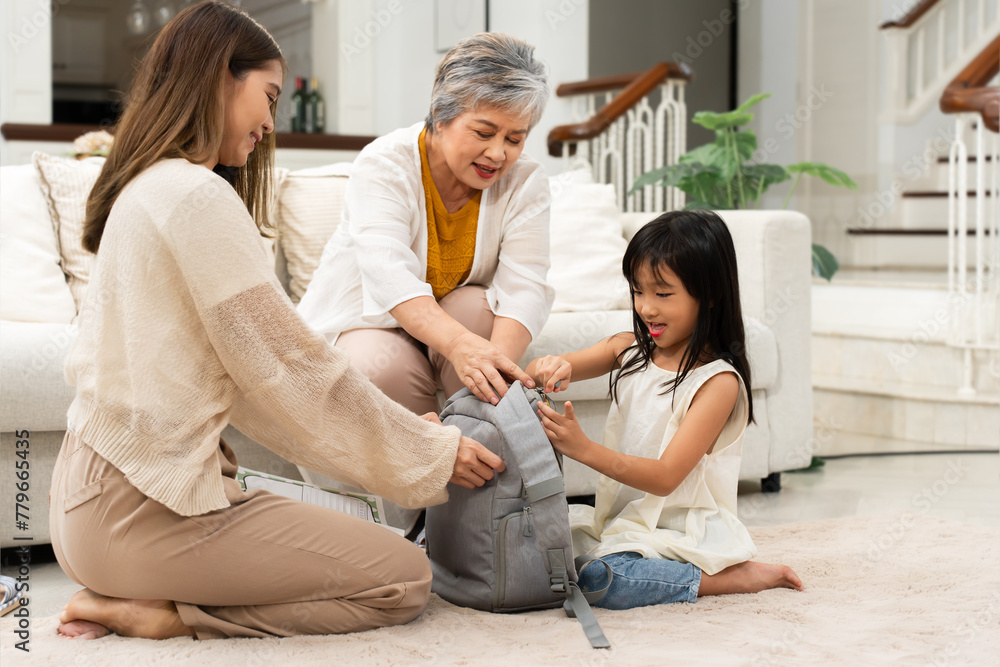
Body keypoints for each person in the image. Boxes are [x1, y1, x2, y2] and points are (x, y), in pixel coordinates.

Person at [50, 1, 504, 641]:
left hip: (87, 505)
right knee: (403, 577)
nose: (271, 120)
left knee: (348, 541)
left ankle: (144, 591)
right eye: (266, 95)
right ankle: (162, 614)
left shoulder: (148, 185)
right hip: (141, 515)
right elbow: (288, 374)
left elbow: (259, 377)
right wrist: (429, 450)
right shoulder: (195, 195)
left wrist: (404, 434)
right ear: (217, 81)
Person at [296, 32, 553, 531]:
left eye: (515, 138)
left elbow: (526, 286)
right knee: (374, 366)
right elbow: (387, 273)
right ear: (441, 114)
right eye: (484, 131)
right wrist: (462, 348)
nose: (498, 153)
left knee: (482, 314)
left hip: (451, 321)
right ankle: (412, 522)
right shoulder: (384, 163)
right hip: (370, 323)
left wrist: (495, 379)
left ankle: (481, 526)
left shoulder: (526, 183)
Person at [526, 210, 803, 609]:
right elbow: (539, 371)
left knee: (602, 581)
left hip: (680, 532)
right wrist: (551, 367)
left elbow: (665, 478)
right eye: (637, 291)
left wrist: (582, 448)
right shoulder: (628, 349)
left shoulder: (717, 383)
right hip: (619, 524)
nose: (646, 308)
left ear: (708, 294)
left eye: (663, 293)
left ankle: (727, 576)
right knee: (540, 552)